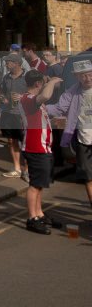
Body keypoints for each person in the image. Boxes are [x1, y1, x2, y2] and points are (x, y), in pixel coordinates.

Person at [46, 58, 92, 211]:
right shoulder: (73, 91)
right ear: (78, 77)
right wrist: (39, 106)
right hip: (83, 141)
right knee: (88, 177)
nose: (87, 78)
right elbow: (59, 108)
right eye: (83, 75)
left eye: (90, 74)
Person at [20, 70, 61, 234]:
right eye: (43, 83)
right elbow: (44, 96)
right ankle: (32, 218)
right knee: (35, 185)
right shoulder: (28, 99)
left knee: (40, 184)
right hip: (35, 148)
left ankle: (39, 214)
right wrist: (52, 82)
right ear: (38, 84)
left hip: (42, 147)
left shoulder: (32, 101)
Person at [0, 53, 28, 179]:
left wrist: (22, 97)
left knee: (25, 142)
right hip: (8, 113)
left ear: (17, 63)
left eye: (8, 62)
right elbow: (1, 91)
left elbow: (36, 92)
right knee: (11, 141)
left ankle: (27, 170)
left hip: (22, 114)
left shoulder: (27, 77)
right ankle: (16, 168)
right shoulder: (6, 77)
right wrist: (2, 97)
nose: (6, 64)